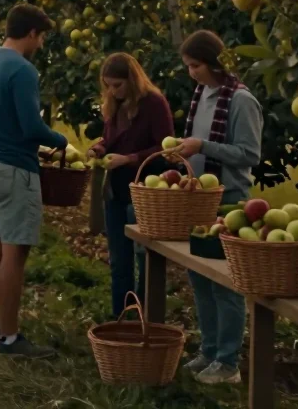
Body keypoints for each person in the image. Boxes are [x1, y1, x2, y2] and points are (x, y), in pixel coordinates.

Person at [0, 4, 66, 359]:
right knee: (15, 253)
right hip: (14, 169)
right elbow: (31, 127)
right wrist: (60, 141)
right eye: (41, 38)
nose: (39, 45)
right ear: (32, 34)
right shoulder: (22, 70)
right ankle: (10, 338)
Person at [175, 30, 262, 385]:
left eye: (195, 65)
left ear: (212, 62)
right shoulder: (203, 94)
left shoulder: (241, 101)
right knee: (200, 277)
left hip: (229, 200)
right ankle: (209, 350)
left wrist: (204, 146)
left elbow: (249, 153)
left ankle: (229, 363)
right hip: (199, 198)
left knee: (226, 283)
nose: (192, 72)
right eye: (188, 66)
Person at [87, 53, 173, 318]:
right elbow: (110, 138)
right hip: (116, 191)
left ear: (132, 80)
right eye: (109, 86)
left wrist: (129, 159)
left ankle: (146, 318)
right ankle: (121, 319)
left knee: (145, 260)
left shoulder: (154, 104)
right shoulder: (114, 105)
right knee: (119, 262)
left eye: (118, 85)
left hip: (144, 192)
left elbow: (166, 148)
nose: (113, 91)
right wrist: (100, 147)